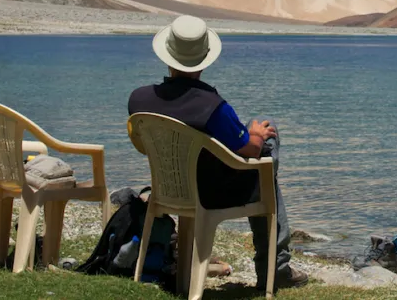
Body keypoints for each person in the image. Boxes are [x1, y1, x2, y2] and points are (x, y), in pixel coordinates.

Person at [127, 15, 308, 290]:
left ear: (168, 57)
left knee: (260, 157)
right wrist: (257, 136)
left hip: (167, 188)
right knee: (267, 152)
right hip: (212, 193)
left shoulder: (139, 100)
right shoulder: (212, 106)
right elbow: (251, 149)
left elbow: (141, 144)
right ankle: (275, 267)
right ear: (205, 60)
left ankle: (276, 264)